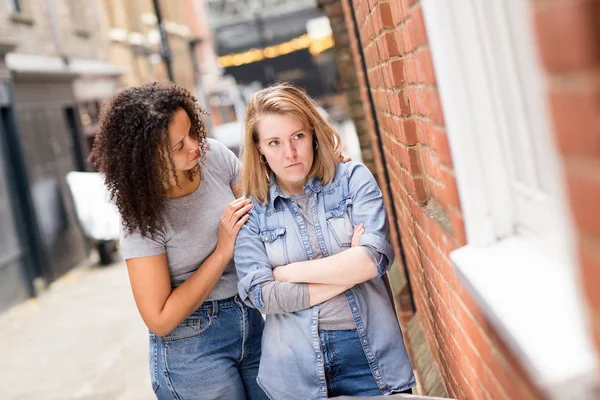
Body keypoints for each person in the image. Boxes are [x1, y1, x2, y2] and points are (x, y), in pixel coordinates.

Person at [234, 83, 416, 399]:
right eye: (274, 142)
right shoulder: (252, 214)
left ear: (313, 133)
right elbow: (262, 295)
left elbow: (373, 259)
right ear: (259, 148)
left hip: (372, 359)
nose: (289, 153)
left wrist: (289, 273)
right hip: (295, 372)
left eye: (297, 137)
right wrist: (348, 271)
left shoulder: (352, 180)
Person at [89, 82, 267, 400]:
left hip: (252, 319)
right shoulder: (141, 218)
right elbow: (160, 318)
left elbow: (265, 211)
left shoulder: (215, 158)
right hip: (192, 348)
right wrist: (222, 250)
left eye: (192, 132)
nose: (195, 146)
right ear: (146, 160)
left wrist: (323, 174)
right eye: (178, 146)